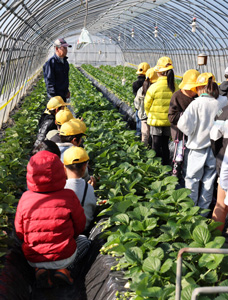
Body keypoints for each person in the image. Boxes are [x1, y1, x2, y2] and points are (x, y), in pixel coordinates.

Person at [14, 151, 90, 287]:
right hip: (64, 256)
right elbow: (80, 226)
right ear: (61, 171)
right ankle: (63, 271)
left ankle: (40, 269)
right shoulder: (69, 195)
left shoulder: (25, 198)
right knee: (84, 241)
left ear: (30, 173)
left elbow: (19, 232)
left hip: (33, 257)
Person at [177, 73, 228, 215]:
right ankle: (203, 213)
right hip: (215, 150)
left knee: (192, 179)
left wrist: (193, 133)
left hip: (197, 148)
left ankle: (190, 212)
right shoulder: (223, 101)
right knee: (208, 181)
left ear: (200, 88)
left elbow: (183, 125)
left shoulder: (196, 103)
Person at [144, 56, 179, 165]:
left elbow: (147, 104)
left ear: (159, 72)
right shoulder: (175, 86)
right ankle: (166, 165)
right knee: (165, 144)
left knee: (155, 144)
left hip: (156, 121)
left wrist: (150, 114)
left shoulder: (154, 87)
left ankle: (155, 166)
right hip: (168, 121)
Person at [168, 69, 200, 181]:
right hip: (179, 134)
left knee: (189, 157)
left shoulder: (197, 98)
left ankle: (186, 176)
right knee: (179, 155)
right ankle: (175, 176)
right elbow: (171, 117)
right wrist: (187, 115)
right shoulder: (177, 96)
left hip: (193, 133)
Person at [64, 147, 97, 232]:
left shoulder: (61, 188)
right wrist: (90, 189)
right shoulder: (89, 188)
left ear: (64, 167)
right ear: (84, 167)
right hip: (83, 233)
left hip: (65, 233)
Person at [210, 103, 228, 231]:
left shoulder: (224, 111)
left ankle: (214, 244)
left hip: (225, 163)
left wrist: (218, 154)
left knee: (221, 204)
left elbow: (214, 138)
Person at [134, 67, 158, 146]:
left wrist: (139, 109)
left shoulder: (141, 89)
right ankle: (152, 149)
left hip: (143, 115)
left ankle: (144, 150)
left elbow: (136, 103)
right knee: (153, 134)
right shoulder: (156, 89)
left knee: (144, 134)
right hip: (154, 116)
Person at [133, 62, 150, 137]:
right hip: (147, 108)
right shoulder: (149, 84)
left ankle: (138, 137)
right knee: (145, 125)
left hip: (138, 106)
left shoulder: (135, 84)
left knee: (139, 124)